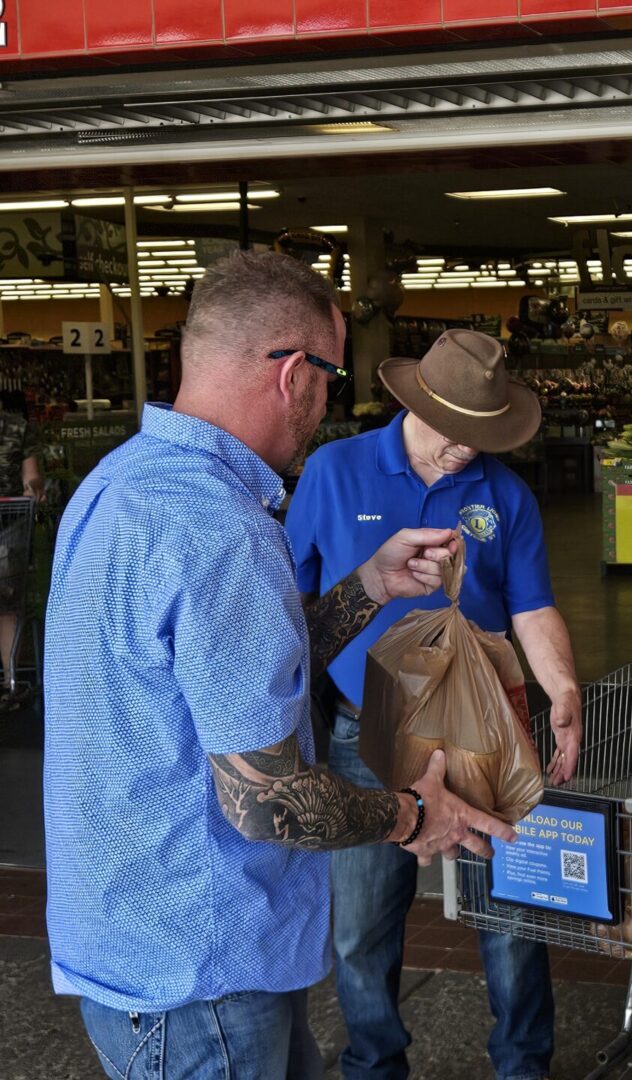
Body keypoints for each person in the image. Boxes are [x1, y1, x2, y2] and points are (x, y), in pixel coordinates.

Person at [43, 250, 518, 1080]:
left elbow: (214, 671)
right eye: (330, 376)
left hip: (141, 949)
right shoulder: (219, 527)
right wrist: (412, 817)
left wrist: (367, 588)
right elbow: (264, 804)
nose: (329, 399)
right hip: (204, 974)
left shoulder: (120, 485)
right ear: (293, 373)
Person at [286, 328, 582, 1080]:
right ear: (419, 404)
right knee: (360, 927)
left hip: (483, 733)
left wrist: (564, 688)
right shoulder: (335, 471)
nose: (468, 451)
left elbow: (532, 605)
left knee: (512, 918)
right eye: (459, 433)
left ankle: (523, 1064)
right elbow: (288, 598)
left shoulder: (503, 494)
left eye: (485, 437)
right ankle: (374, 1063)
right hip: (366, 736)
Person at [0, 390, 43, 709]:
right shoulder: (17, 427)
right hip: (9, 525)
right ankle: (11, 680)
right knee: (8, 607)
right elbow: (32, 481)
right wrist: (33, 492)